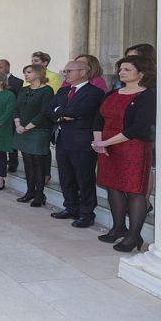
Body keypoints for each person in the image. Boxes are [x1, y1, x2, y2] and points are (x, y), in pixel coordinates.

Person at [92, 55, 156, 252]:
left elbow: (138, 127)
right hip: (107, 146)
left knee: (135, 191)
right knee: (113, 187)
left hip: (132, 147)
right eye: (121, 69)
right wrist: (99, 142)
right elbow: (98, 118)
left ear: (141, 73)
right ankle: (118, 228)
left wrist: (105, 142)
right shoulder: (112, 93)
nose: (121, 72)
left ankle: (133, 236)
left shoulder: (147, 96)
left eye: (127, 69)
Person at [46, 60, 105, 228]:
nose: (65, 74)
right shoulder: (63, 90)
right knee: (66, 176)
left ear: (83, 72)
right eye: (65, 71)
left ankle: (86, 214)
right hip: (63, 139)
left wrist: (60, 111)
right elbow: (47, 110)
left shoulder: (94, 92)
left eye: (69, 71)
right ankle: (70, 207)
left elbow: (79, 111)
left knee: (84, 177)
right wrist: (61, 114)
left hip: (82, 142)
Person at [12, 65, 54, 206]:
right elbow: (16, 108)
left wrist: (28, 126)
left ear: (39, 73)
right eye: (25, 73)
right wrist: (18, 125)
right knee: (27, 162)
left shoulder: (47, 90)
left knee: (38, 163)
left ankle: (39, 194)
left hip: (38, 131)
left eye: (29, 72)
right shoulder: (24, 90)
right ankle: (30, 191)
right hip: (22, 130)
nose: (26, 75)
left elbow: (44, 112)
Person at [0, 59, 23, 173]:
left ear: (7, 67)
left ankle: (13, 163)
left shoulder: (17, 82)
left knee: (11, 141)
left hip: (11, 116)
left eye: (0, 67)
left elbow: (18, 100)